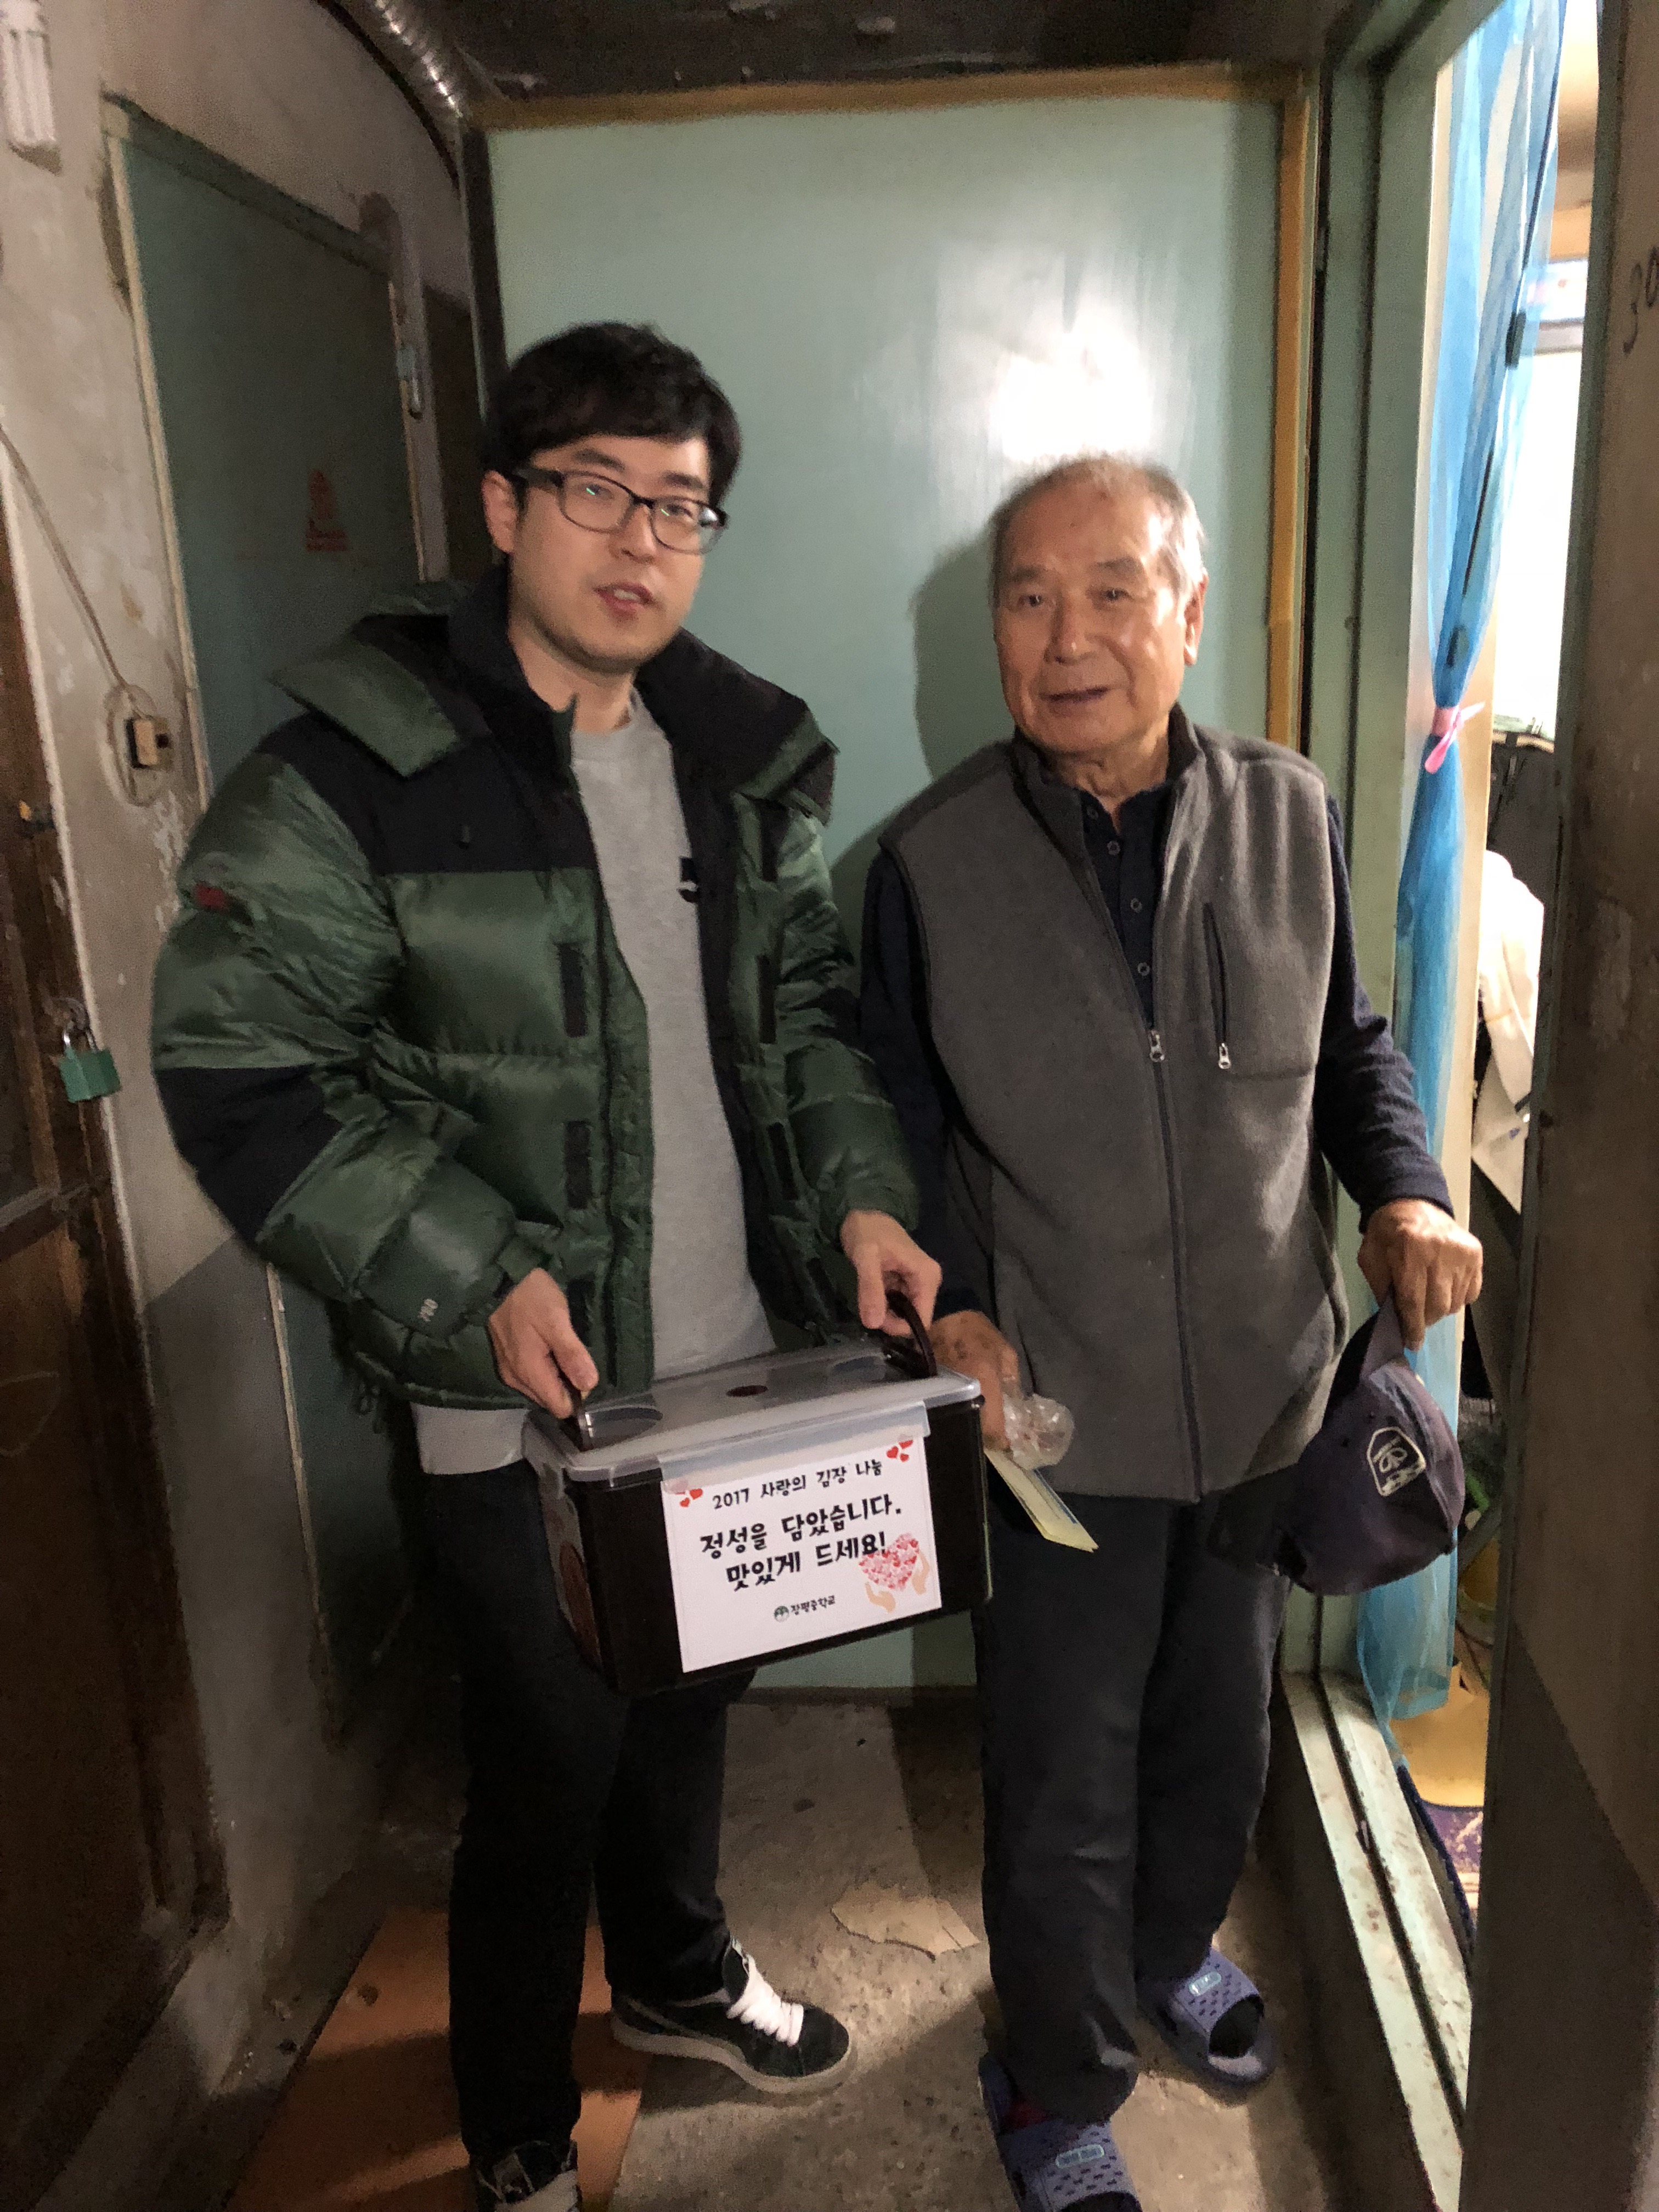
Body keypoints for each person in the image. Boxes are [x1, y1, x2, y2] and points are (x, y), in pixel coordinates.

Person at [152, 322, 939, 2212]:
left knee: (693, 1694)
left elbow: (803, 1016)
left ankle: (674, 1972)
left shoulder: (742, 758)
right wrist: (475, 1272)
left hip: (726, 1355)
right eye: (596, 491)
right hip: (502, 1388)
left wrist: (861, 1199)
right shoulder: (358, 773)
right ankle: (512, 2107)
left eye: (681, 506)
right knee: (545, 1752)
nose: (640, 540)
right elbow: (244, 1064)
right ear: (504, 508)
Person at [860, 454, 1482, 2212]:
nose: (1068, 638)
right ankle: (1056, 2085)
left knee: (1222, 1734)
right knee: (1062, 1770)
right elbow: (897, 1129)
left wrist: (1406, 1191)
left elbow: (1351, 1049)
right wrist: (952, 1308)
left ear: (1190, 615)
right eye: (1029, 597)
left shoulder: (1291, 813)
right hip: (1055, 1426)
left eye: (1114, 592)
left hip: (1269, 1403)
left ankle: (1167, 1950)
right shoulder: (928, 866)